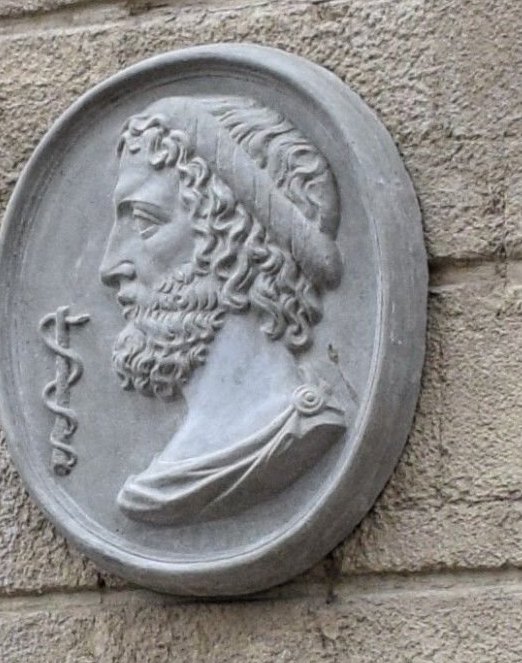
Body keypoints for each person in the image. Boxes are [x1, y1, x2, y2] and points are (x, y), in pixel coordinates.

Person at [92, 95, 354, 521]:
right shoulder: (170, 471)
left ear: (239, 244)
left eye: (145, 222)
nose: (109, 266)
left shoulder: (292, 437)